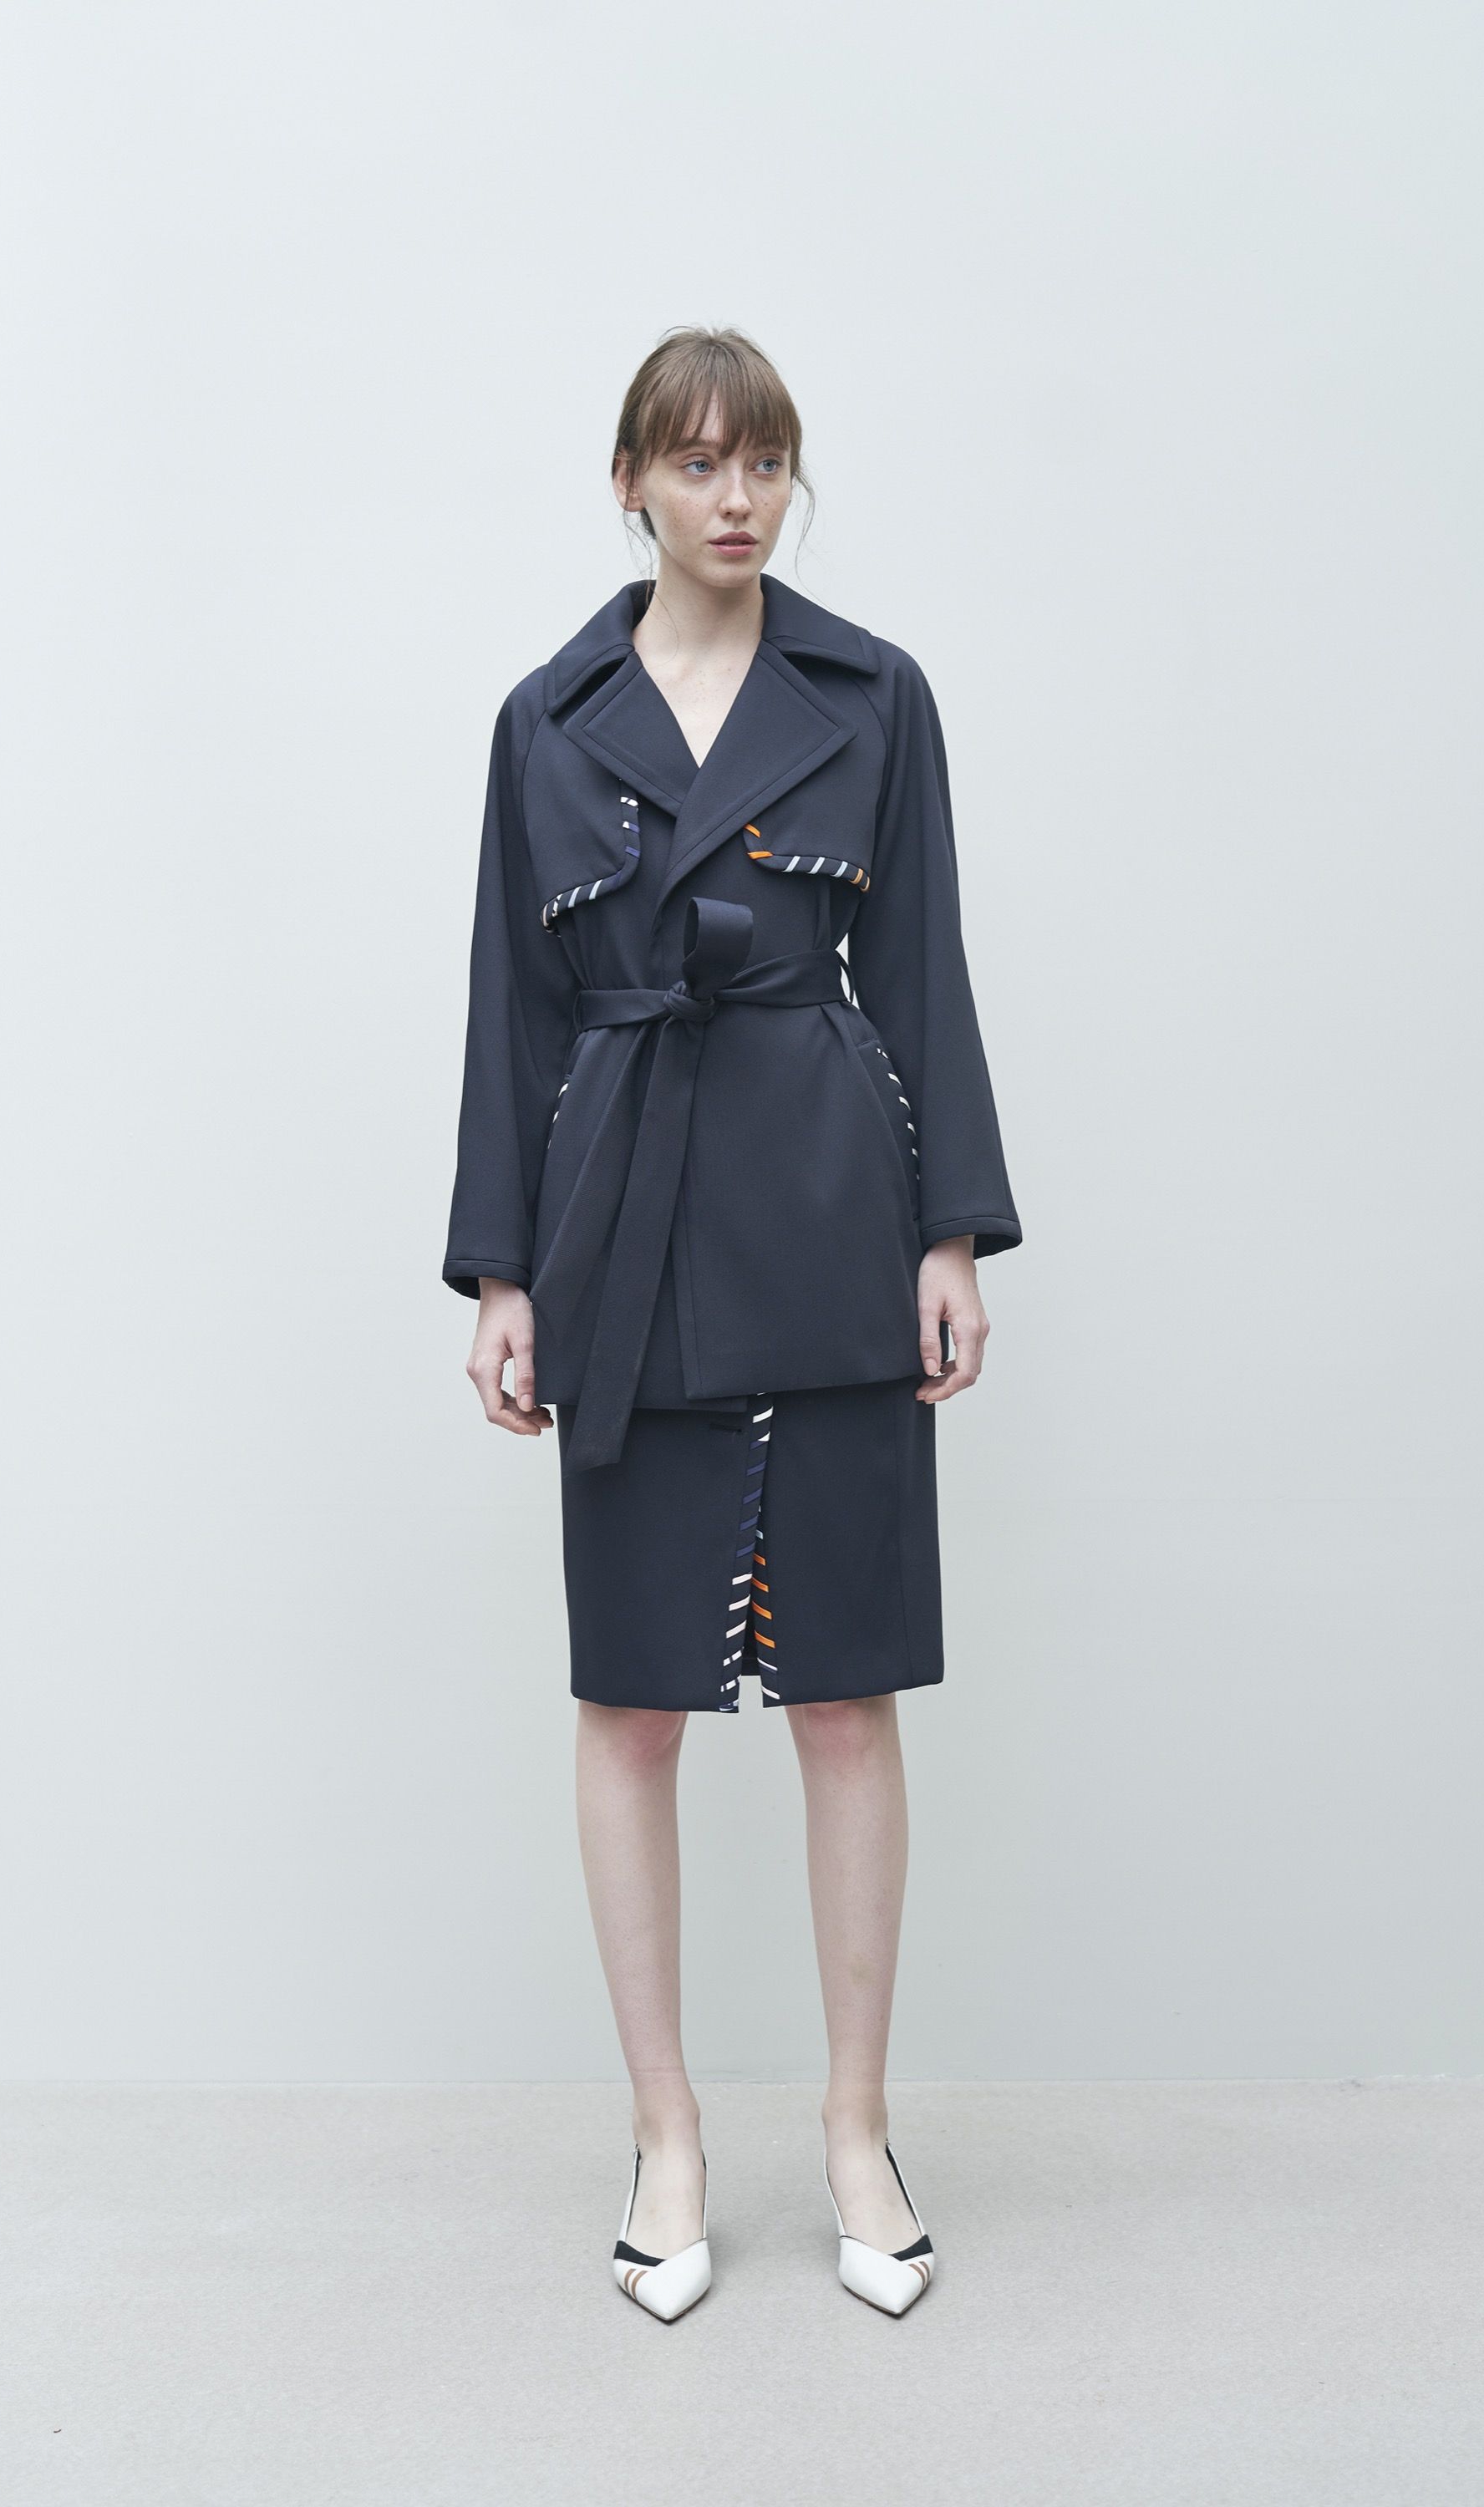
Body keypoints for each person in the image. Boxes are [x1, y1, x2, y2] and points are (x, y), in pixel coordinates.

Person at [443, 326, 1021, 2319]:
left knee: (846, 1692)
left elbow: (923, 964)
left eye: (763, 460)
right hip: (618, 1220)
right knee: (631, 1699)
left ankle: (856, 2131)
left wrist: (951, 1233)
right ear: (631, 483)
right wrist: (505, 1272)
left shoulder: (871, 692)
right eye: (696, 462)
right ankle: (668, 2134)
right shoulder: (548, 718)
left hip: (830, 1204)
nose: (737, 495)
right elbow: (511, 1014)